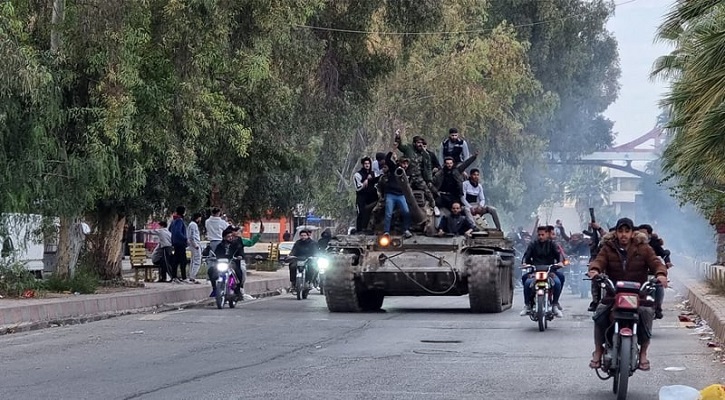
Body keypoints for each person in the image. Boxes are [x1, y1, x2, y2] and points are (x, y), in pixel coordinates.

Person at [588, 217, 668, 371]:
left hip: (639, 295)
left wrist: (661, 274)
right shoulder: (608, 247)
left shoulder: (644, 248)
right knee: (600, 313)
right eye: (620, 231)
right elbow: (599, 261)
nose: (623, 234)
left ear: (632, 233)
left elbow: (656, 262)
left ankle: (643, 353)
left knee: (647, 313)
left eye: (627, 231)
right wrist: (595, 270)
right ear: (616, 233)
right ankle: (598, 350)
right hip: (613, 293)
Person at [209, 223, 264, 300]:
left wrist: (259, 233)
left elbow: (250, 243)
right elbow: (215, 253)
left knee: (241, 270)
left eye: (236, 231)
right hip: (223, 263)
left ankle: (239, 289)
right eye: (232, 231)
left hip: (235, 262)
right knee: (211, 270)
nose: (234, 234)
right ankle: (215, 288)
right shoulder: (220, 245)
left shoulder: (238, 241)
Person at [520, 226, 563, 318]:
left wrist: (560, 263)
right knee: (527, 282)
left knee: (558, 283)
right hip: (535, 271)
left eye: (543, 235)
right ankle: (527, 305)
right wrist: (524, 263)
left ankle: (555, 305)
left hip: (550, 271)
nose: (541, 237)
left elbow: (559, 255)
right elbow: (526, 256)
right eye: (539, 235)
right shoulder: (533, 244)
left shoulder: (552, 244)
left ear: (547, 234)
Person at [394, 131, 438, 215]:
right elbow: (400, 146)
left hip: (418, 176)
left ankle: (433, 206)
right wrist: (398, 136)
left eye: (421, 143)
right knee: (404, 191)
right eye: (418, 143)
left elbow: (428, 167)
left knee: (427, 191)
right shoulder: (408, 148)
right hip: (408, 175)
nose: (420, 145)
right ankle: (399, 209)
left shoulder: (425, 153)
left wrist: (429, 179)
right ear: (414, 143)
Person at [638, 224, 672, 319]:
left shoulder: (654, 244)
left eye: (644, 233)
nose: (641, 235)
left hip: (651, 273)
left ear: (649, 235)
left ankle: (658, 307)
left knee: (659, 286)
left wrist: (662, 271)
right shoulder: (633, 244)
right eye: (639, 233)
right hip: (639, 274)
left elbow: (660, 257)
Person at [382, 151, 413, 238]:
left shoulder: (409, 172)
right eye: (403, 163)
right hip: (391, 194)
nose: (405, 165)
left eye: (406, 164)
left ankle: (406, 229)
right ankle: (386, 231)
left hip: (401, 195)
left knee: (406, 212)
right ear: (400, 163)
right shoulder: (394, 168)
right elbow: (387, 160)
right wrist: (391, 151)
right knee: (388, 213)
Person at [353, 157, 377, 233]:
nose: (367, 165)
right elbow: (358, 187)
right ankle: (360, 229)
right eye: (365, 164)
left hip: (372, 197)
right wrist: (365, 181)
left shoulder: (373, 174)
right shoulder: (358, 175)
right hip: (361, 197)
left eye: (368, 163)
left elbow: (377, 183)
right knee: (361, 213)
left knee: (371, 212)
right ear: (363, 165)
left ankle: (369, 228)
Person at [169, 206, 188, 283]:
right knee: (183, 260)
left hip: (175, 243)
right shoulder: (180, 220)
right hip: (180, 243)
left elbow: (170, 229)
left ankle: (174, 276)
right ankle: (184, 277)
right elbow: (178, 232)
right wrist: (185, 238)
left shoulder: (174, 220)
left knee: (176, 260)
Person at [187, 212, 202, 283]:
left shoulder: (192, 224)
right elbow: (192, 236)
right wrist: (195, 244)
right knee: (197, 260)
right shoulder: (193, 225)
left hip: (193, 244)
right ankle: (193, 276)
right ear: (198, 218)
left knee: (193, 260)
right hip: (195, 245)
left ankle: (191, 276)